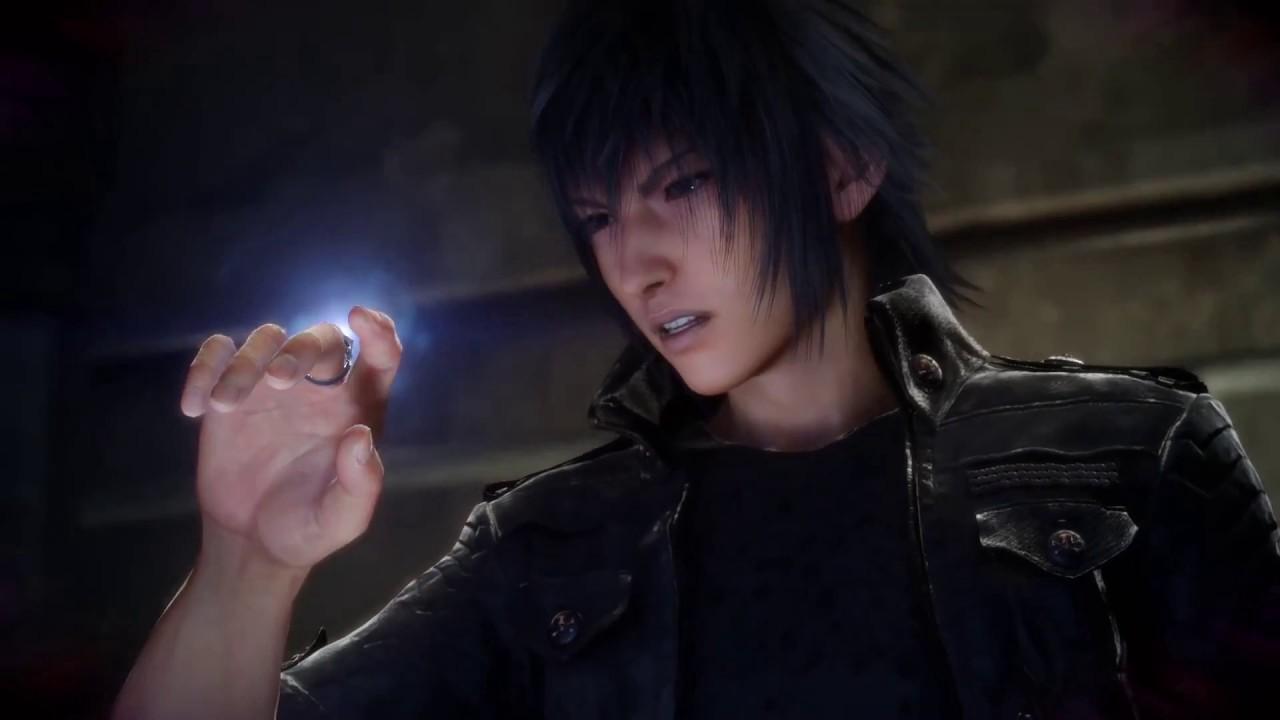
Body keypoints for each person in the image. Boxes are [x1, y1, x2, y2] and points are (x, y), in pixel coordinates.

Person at [113, 1, 1280, 718]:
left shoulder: (1129, 455)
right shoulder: (551, 549)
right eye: (598, 216)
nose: (638, 261)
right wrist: (244, 564)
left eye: (682, 184)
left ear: (838, 169)